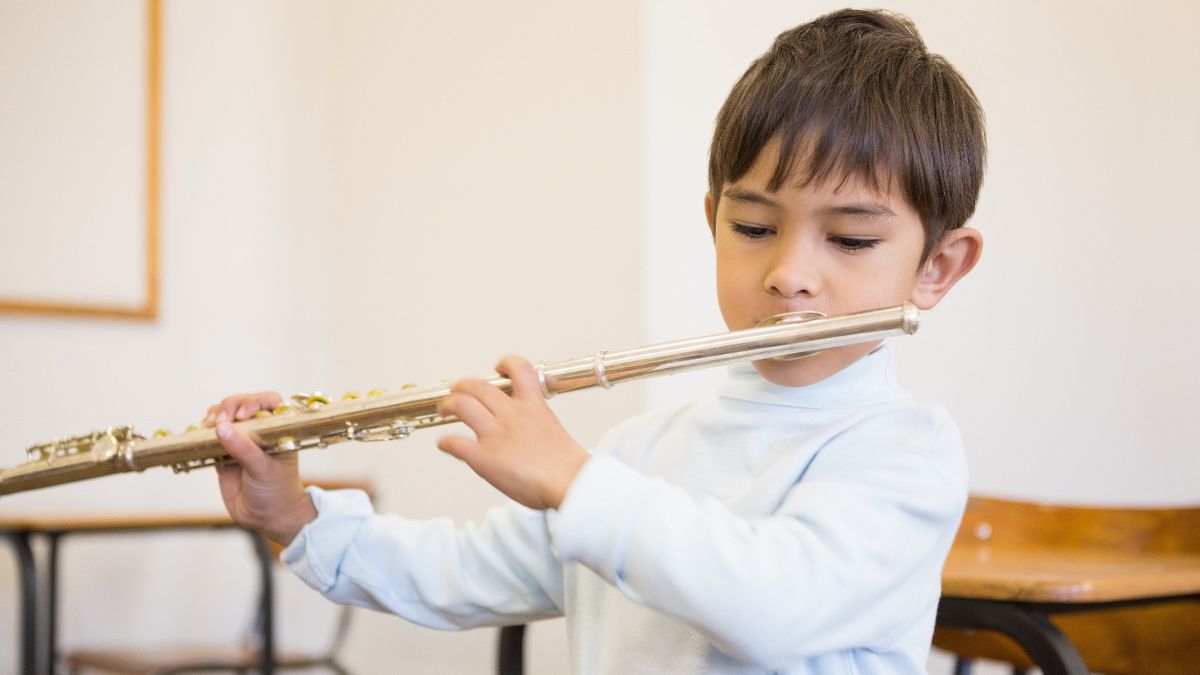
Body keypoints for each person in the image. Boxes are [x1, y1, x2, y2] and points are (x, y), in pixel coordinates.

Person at [206, 8, 984, 673]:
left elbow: (771, 603)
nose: (788, 274)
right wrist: (297, 518)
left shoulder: (903, 452)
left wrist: (574, 479)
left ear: (938, 266)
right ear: (713, 220)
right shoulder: (642, 452)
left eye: (848, 239)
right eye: (753, 227)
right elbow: (460, 570)